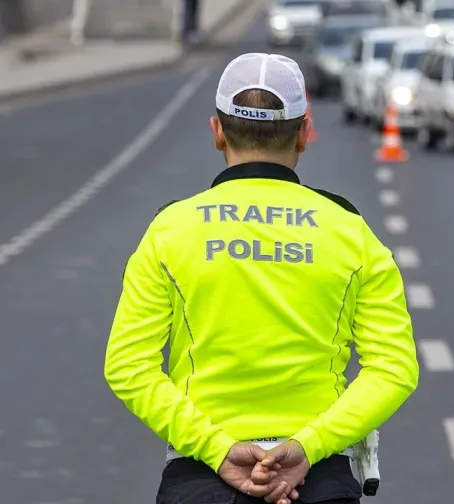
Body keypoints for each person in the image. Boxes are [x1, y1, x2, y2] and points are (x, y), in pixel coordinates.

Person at [104, 53, 420, 504]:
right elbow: (394, 367)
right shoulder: (350, 231)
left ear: (217, 131)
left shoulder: (170, 230)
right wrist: (309, 446)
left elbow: (128, 366)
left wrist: (217, 449)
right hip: (319, 478)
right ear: (305, 133)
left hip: (201, 478)